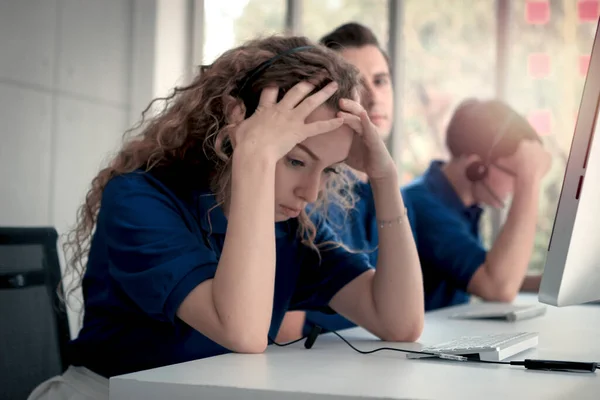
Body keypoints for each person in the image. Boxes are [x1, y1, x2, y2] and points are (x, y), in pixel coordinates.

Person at [27, 35, 423, 399]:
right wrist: (255, 157)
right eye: (295, 160)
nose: (312, 192)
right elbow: (243, 331)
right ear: (237, 124)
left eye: (329, 169)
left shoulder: (289, 224)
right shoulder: (139, 199)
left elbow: (399, 323)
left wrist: (384, 177)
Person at [276, 22, 404, 341]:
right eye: (359, 84)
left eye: (381, 81)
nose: (373, 98)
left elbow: (404, 321)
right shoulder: (303, 196)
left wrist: (385, 179)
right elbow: (283, 334)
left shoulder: (390, 195)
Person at [401, 98, 552, 311]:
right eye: (516, 174)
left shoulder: (466, 207)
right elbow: (498, 288)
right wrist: (529, 179)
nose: (518, 186)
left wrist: (549, 283)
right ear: (476, 167)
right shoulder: (420, 205)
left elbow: (481, 272)